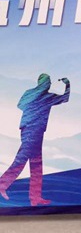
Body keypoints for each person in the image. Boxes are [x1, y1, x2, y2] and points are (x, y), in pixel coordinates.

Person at [0, 74, 70, 206]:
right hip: (29, 129)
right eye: (47, 82)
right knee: (22, 160)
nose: (49, 84)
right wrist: (37, 104)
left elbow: (64, 98)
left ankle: (35, 198)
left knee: (36, 164)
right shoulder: (34, 94)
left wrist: (67, 85)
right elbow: (20, 105)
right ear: (41, 83)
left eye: (49, 82)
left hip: (37, 130)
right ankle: (2, 185)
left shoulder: (46, 96)